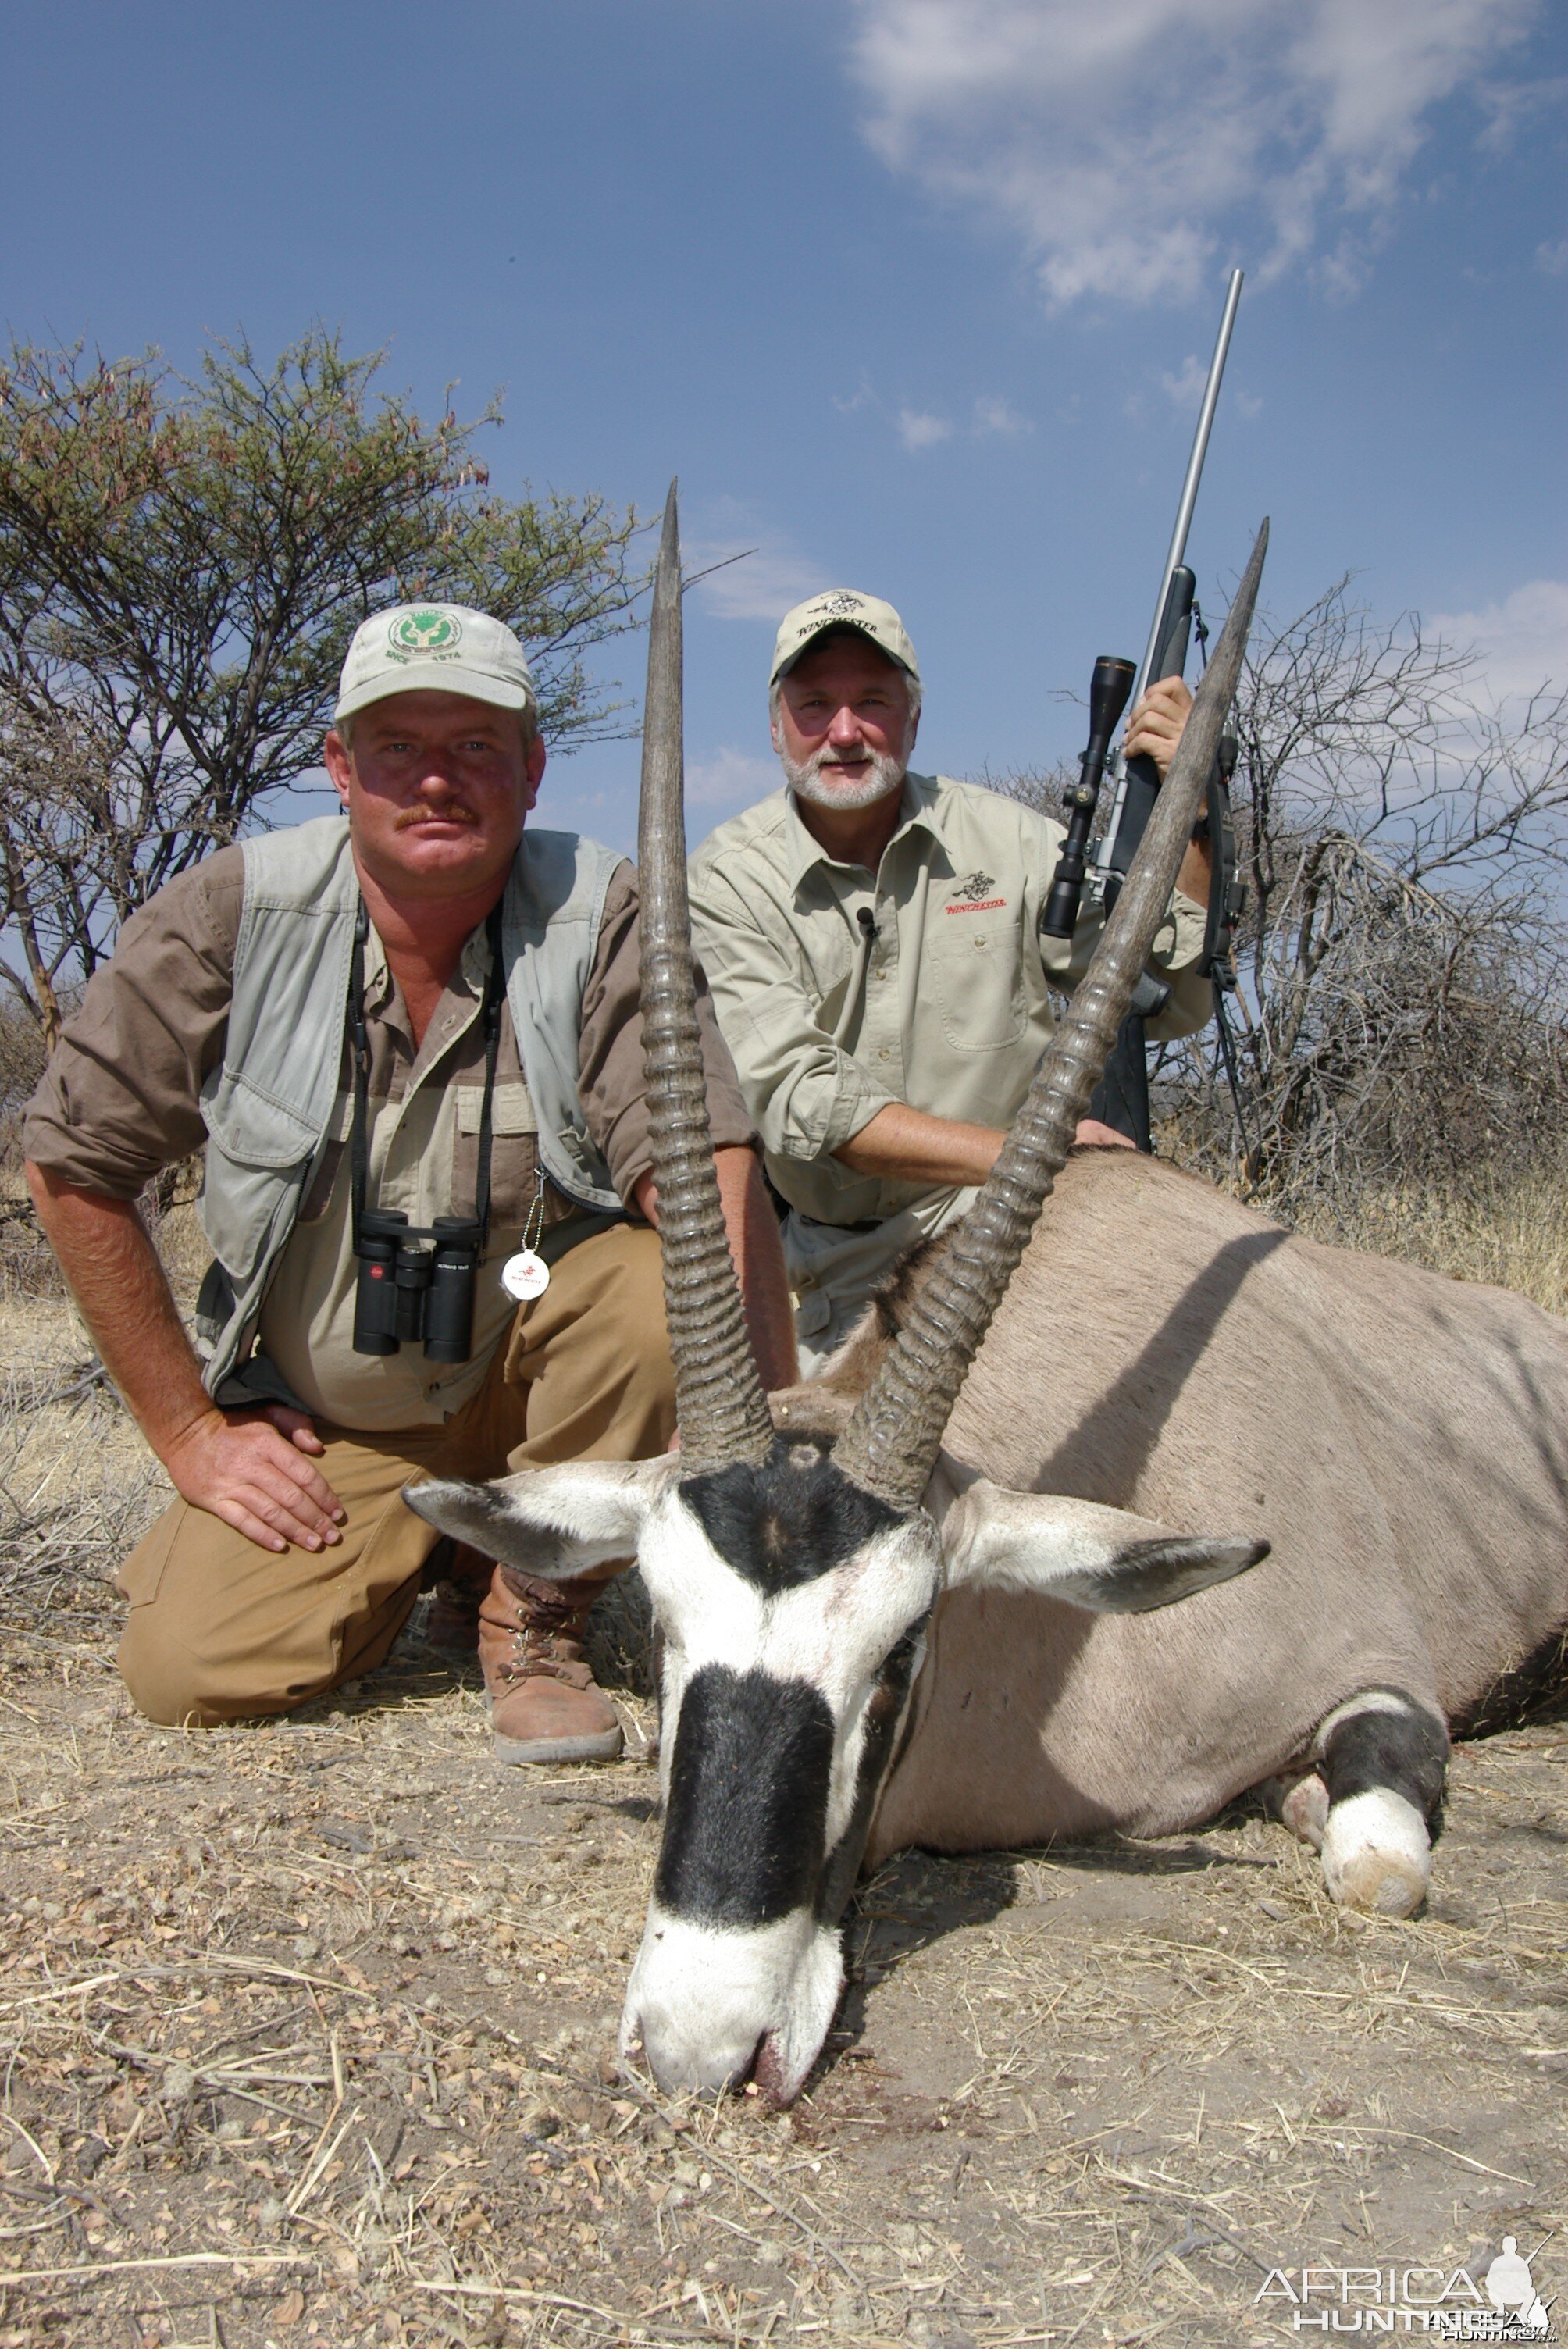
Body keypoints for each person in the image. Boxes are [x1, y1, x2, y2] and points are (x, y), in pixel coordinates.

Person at [23, 604, 796, 1762]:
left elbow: (706, 1170)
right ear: (340, 766)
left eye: (478, 748)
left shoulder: (608, 911)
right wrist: (190, 1431)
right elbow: (71, 1160)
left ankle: (535, 1614)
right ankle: (435, 1548)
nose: (438, 781)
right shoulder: (229, 913)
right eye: (399, 748)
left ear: (533, 770)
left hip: (537, 1395)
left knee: (652, 1289)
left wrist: (768, 1456)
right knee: (186, 1675)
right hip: (336, 1418)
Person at [688, 590, 1214, 1372]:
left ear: (913, 717)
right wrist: (1037, 1154)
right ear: (775, 727)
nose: (843, 731)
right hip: (837, 1258)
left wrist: (1191, 811)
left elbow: (1166, 994)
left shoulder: (1008, 838)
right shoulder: (726, 878)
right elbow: (803, 1103)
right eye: (814, 705)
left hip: (1014, 1226)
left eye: (872, 700)